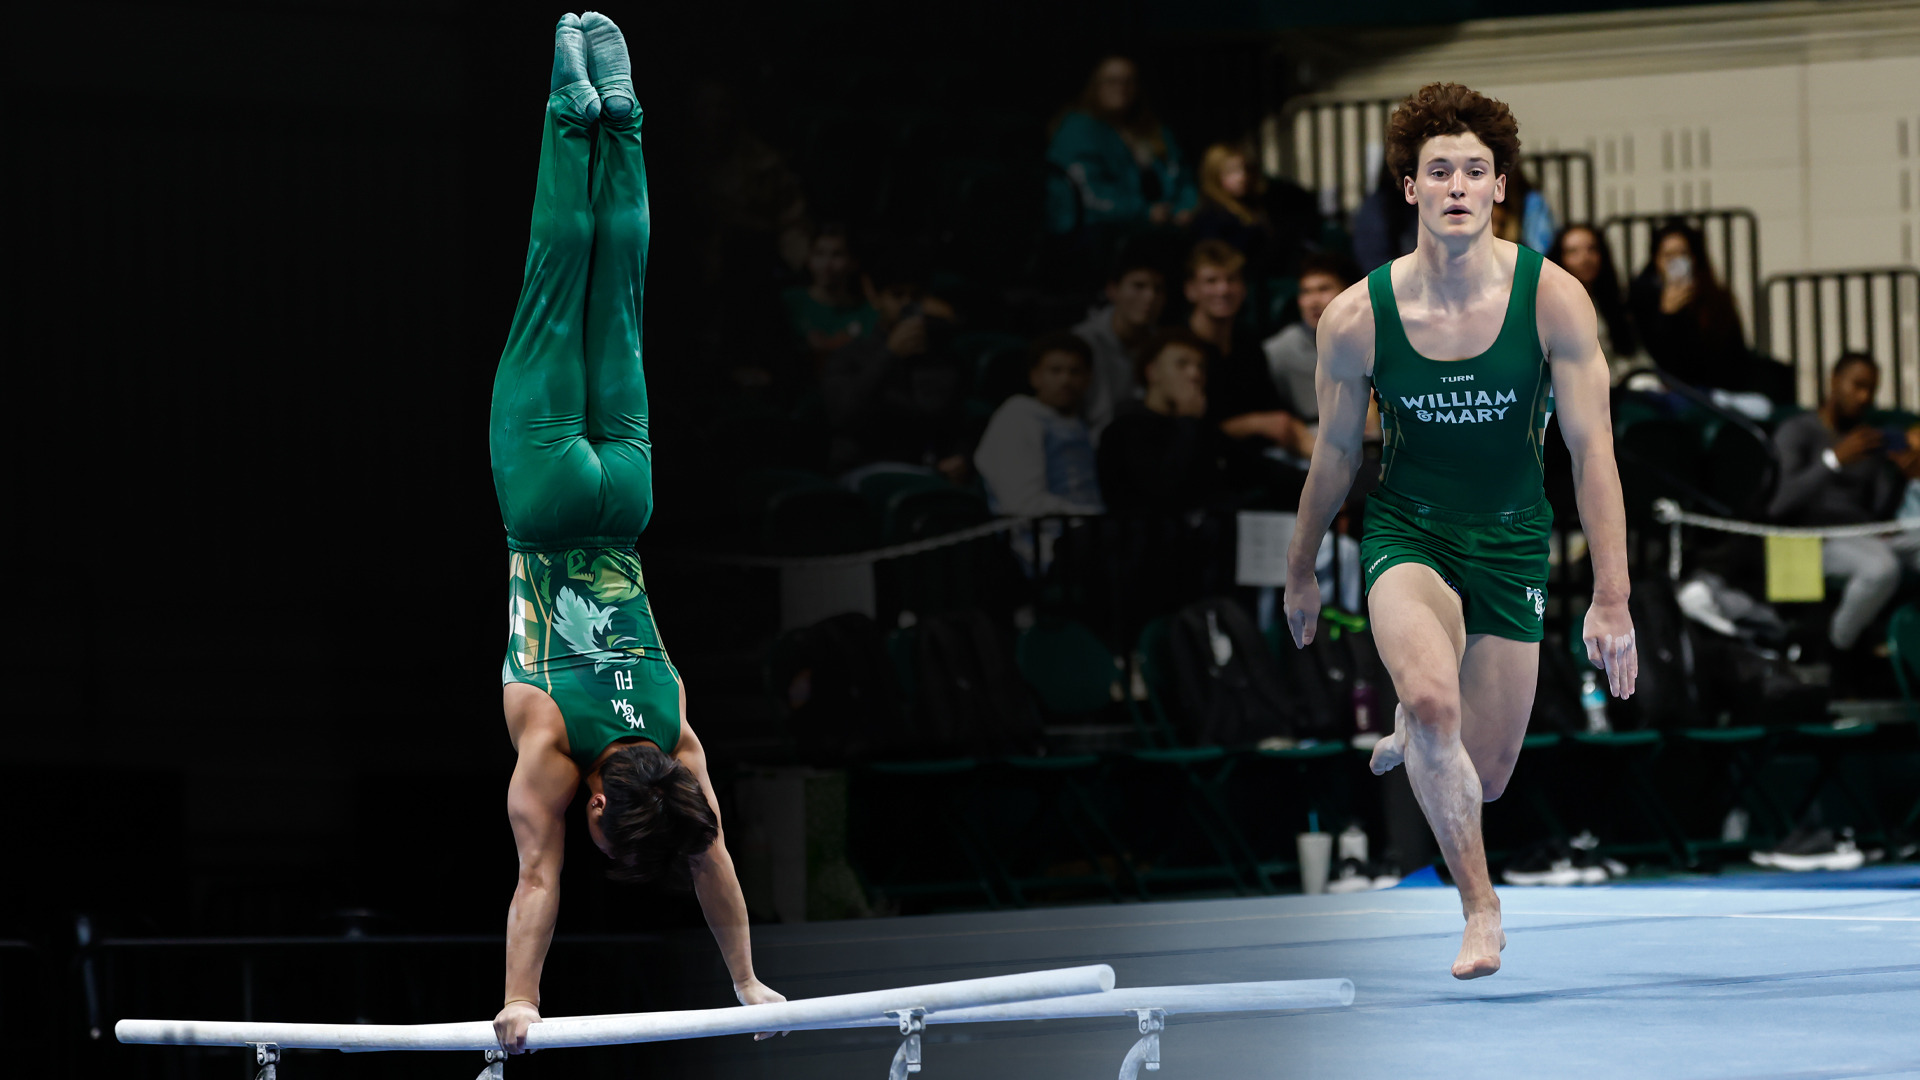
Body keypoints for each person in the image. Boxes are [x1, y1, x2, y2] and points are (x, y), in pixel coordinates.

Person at [1283, 82, 1637, 980]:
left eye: (1474, 171)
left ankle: (1421, 720)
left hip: (1514, 540)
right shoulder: (1357, 317)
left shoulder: (1553, 300)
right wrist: (1300, 571)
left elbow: (1593, 456)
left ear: (1500, 187)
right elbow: (1332, 457)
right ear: (1409, 188)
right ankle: (1480, 908)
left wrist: (1612, 599)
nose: (1455, 187)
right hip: (1410, 533)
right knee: (1437, 705)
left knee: (1487, 776)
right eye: (1437, 170)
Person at [489, 15, 783, 1053]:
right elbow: (538, 876)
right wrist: (521, 1001)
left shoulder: (677, 734)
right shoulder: (556, 752)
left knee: (616, 294)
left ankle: (625, 118)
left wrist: (751, 981)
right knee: (553, 275)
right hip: (543, 504)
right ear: (605, 802)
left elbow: (708, 851)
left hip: (627, 496)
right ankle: (574, 114)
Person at [1767, 353, 1920, 661]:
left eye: (1871, 390)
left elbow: (1878, 511)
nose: (1864, 397)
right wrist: (1833, 460)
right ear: (1834, 381)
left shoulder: (1865, 438)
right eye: (1857, 386)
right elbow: (1779, 503)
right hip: (1812, 540)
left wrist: (1902, 477)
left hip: (1867, 535)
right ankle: (1838, 646)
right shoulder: (1798, 431)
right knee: (1881, 568)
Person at [818, 247, 971, 481]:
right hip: (862, 471)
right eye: (897, 295)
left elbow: (952, 422)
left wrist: (959, 456)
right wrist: (890, 354)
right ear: (876, 297)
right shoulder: (849, 356)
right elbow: (843, 417)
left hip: (925, 473)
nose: (907, 305)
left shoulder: (940, 360)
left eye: (915, 297)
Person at [1185, 240, 1314, 484]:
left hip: (1256, 461)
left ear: (1243, 288)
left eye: (1231, 279)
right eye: (1211, 281)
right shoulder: (1177, 347)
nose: (1223, 290)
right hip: (1200, 470)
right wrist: (1253, 424)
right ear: (1191, 290)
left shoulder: (1248, 344)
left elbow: (1272, 410)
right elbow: (1181, 430)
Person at [1046, 56, 1197, 235]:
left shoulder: (1153, 131)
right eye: (1111, 81)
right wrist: (1143, 211)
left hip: (1161, 229)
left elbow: (1184, 178)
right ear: (1095, 85)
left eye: (1129, 81)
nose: (1121, 88)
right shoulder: (1077, 130)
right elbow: (1085, 193)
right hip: (1095, 234)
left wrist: (1185, 207)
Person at [1096, 330, 1230, 516]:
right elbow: (1162, 491)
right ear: (1152, 372)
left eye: (1201, 367)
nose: (1194, 374)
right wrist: (1188, 421)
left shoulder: (1202, 427)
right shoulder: (1125, 429)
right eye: (1181, 364)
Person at [974, 334, 1105, 517]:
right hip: (1041, 539)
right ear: (1034, 376)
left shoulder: (1080, 424)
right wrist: (1090, 516)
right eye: (1055, 371)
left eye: (1075, 371)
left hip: (1091, 532)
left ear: (1088, 378)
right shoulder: (1018, 416)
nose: (1065, 380)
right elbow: (1023, 502)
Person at [1628, 219, 1749, 392]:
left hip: (1716, 389)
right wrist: (1666, 316)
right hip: (1671, 390)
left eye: (1682, 254)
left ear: (1694, 257)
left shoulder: (1715, 298)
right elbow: (1656, 357)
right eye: (1668, 256)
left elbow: (1731, 356)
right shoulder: (1644, 297)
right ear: (1656, 260)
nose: (1675, 262)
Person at [1072, 249, 1168, 439]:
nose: (1150, 297)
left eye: (1158, 289)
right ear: (1113, 290)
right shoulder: (1083, 342)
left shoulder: (1163, 347)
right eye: (1138, 286)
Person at [1262, 252, 1361, 426]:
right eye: (1306, 292)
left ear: (1349, 292)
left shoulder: (1376, 341)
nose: (1312, 302)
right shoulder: (1279, 350)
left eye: (1324, 289)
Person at [1546, 224, 1642, 382]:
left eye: (1592, 249)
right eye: (1573, 252)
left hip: (1626, 383)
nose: (1585, 258)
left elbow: (1632, 355)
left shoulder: (1610, 301)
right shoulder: (1550, 308)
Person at [780, 222, 876, 373]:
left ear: (853, 262)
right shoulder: (788, 302)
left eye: (837, 254)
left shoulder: (867, 313)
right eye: (819, 253)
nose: (827, 264)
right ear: (809, 259)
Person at [1189, 142, 1269, 259]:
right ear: (1215, 175)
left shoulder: (1254, 204)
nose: (1242, 177)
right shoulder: (1212, 216)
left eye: (1246, 169)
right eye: (1232, 171)